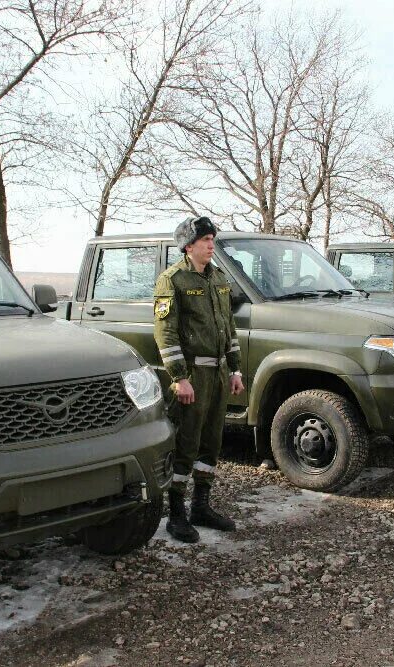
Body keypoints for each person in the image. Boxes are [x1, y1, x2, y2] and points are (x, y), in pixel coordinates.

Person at [153, 216, 246, 543]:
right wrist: (180, 378)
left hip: (219, 374)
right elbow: (166, 334)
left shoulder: (219, 278)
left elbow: (229, 329)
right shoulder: (172, 280)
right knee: (186, 444)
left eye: (212, 239)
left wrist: (235, 370)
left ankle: (201, 507)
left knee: (211, 442)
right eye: (205, 240)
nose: (211, 245)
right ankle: (176, 515)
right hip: (193, 375)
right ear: (188, 246)